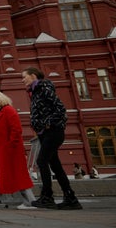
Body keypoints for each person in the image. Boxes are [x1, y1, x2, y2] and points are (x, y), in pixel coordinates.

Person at [22, 66, 82, 210]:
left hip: (52, 132)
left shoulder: (43, 88)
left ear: (34, 76)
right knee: (55, 165)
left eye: (24, 76)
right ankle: (71, 198)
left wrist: (47, 124)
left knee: (42, 161)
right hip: (45, 133)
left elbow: (60, 109)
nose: (23, 79)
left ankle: (47, 197)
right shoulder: (35, 92)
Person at [0, 90, 37, 210]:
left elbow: (16, 130)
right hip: (2, 150)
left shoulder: (8, 110)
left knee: (1, 172)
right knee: (17, 175)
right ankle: (30, 201)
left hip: (9, 149)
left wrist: (10, 146)